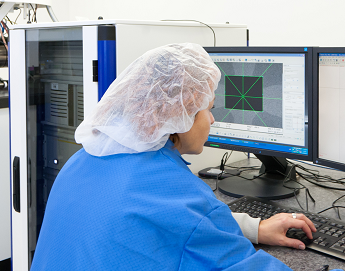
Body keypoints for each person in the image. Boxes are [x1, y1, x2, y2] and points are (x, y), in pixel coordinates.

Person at [30, 43, 340, 271]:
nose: (213, 120)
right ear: (179, 113)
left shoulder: (82, 161)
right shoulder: (175, 192)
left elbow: (165, 223)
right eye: (209, 108)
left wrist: (255, 228)